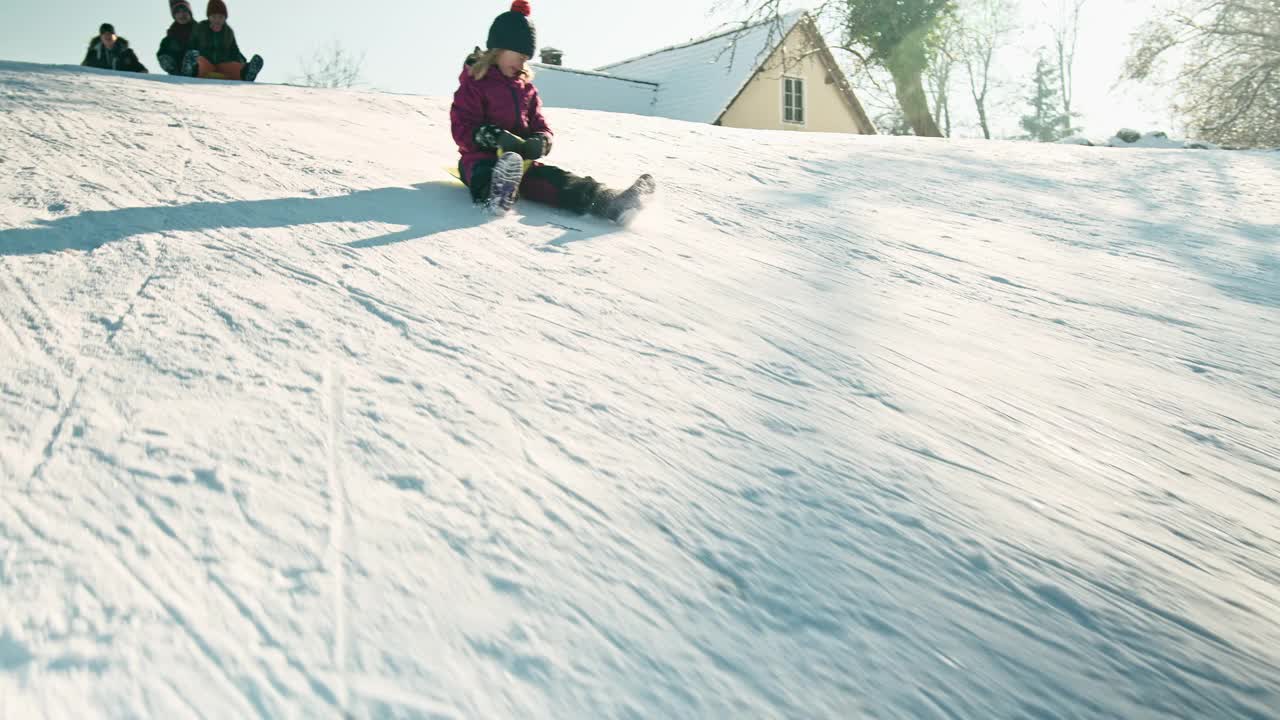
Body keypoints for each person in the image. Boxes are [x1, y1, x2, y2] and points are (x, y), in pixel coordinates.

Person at [450, 1, 655, 222]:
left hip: (523, 164)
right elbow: (462, 126)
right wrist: (496, 137)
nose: (522, 63)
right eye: (520, 56)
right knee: (482, 173)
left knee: (557, 181)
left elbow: (539, 123)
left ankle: (611, 202)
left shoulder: (526, 89)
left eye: (526, 59)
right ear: (500, 48)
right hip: (480, 158)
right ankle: (496, 195)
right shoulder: (475, 83)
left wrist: (541, 139)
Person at [181, 0, 264, 82]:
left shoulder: (228, 32)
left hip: (223, 64)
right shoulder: (201, 28)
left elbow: (234, 51)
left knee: (234, 68)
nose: (217, 20)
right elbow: (192, 44)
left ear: (225, 18)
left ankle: (247, 72)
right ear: (209, 17)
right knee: (200, 63)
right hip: (207, 62)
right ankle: (191, 69)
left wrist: (242, 63)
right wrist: (192, 54)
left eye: (220, 17)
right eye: (214, 17)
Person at [81, 23, 148, 74]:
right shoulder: (93, 54)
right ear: (101, 38)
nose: (108, 37)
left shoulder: (127, 53)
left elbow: (139, 69)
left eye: (110, 34)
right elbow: (83, 70)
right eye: (105, 35)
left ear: (115, 36)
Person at [157, 0, 196, 75]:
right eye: (178, 12)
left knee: (193, 53)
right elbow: (162, 54)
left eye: (184, 11)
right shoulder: (169, 38)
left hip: (198, 71)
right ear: (174, 16)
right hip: (177, 71)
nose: (182, 15)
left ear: (190, 13)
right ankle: (176, 74)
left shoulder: (201, 31)